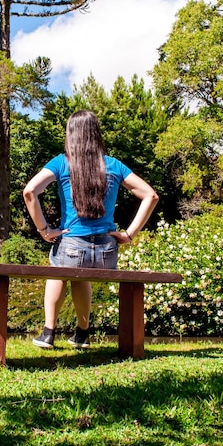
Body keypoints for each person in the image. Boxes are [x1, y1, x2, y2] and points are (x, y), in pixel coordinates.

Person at [23, 110, 159, 349]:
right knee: (78, 273)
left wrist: (44, 230)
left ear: (71, 135)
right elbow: (151, 195)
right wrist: (128, 234)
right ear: (96, 134)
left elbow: (29, 191)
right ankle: (82, 334)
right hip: (107, 253)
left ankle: (48, 333)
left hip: (72, 248)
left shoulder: (61, 162)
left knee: (58, 269)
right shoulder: (114, 165)